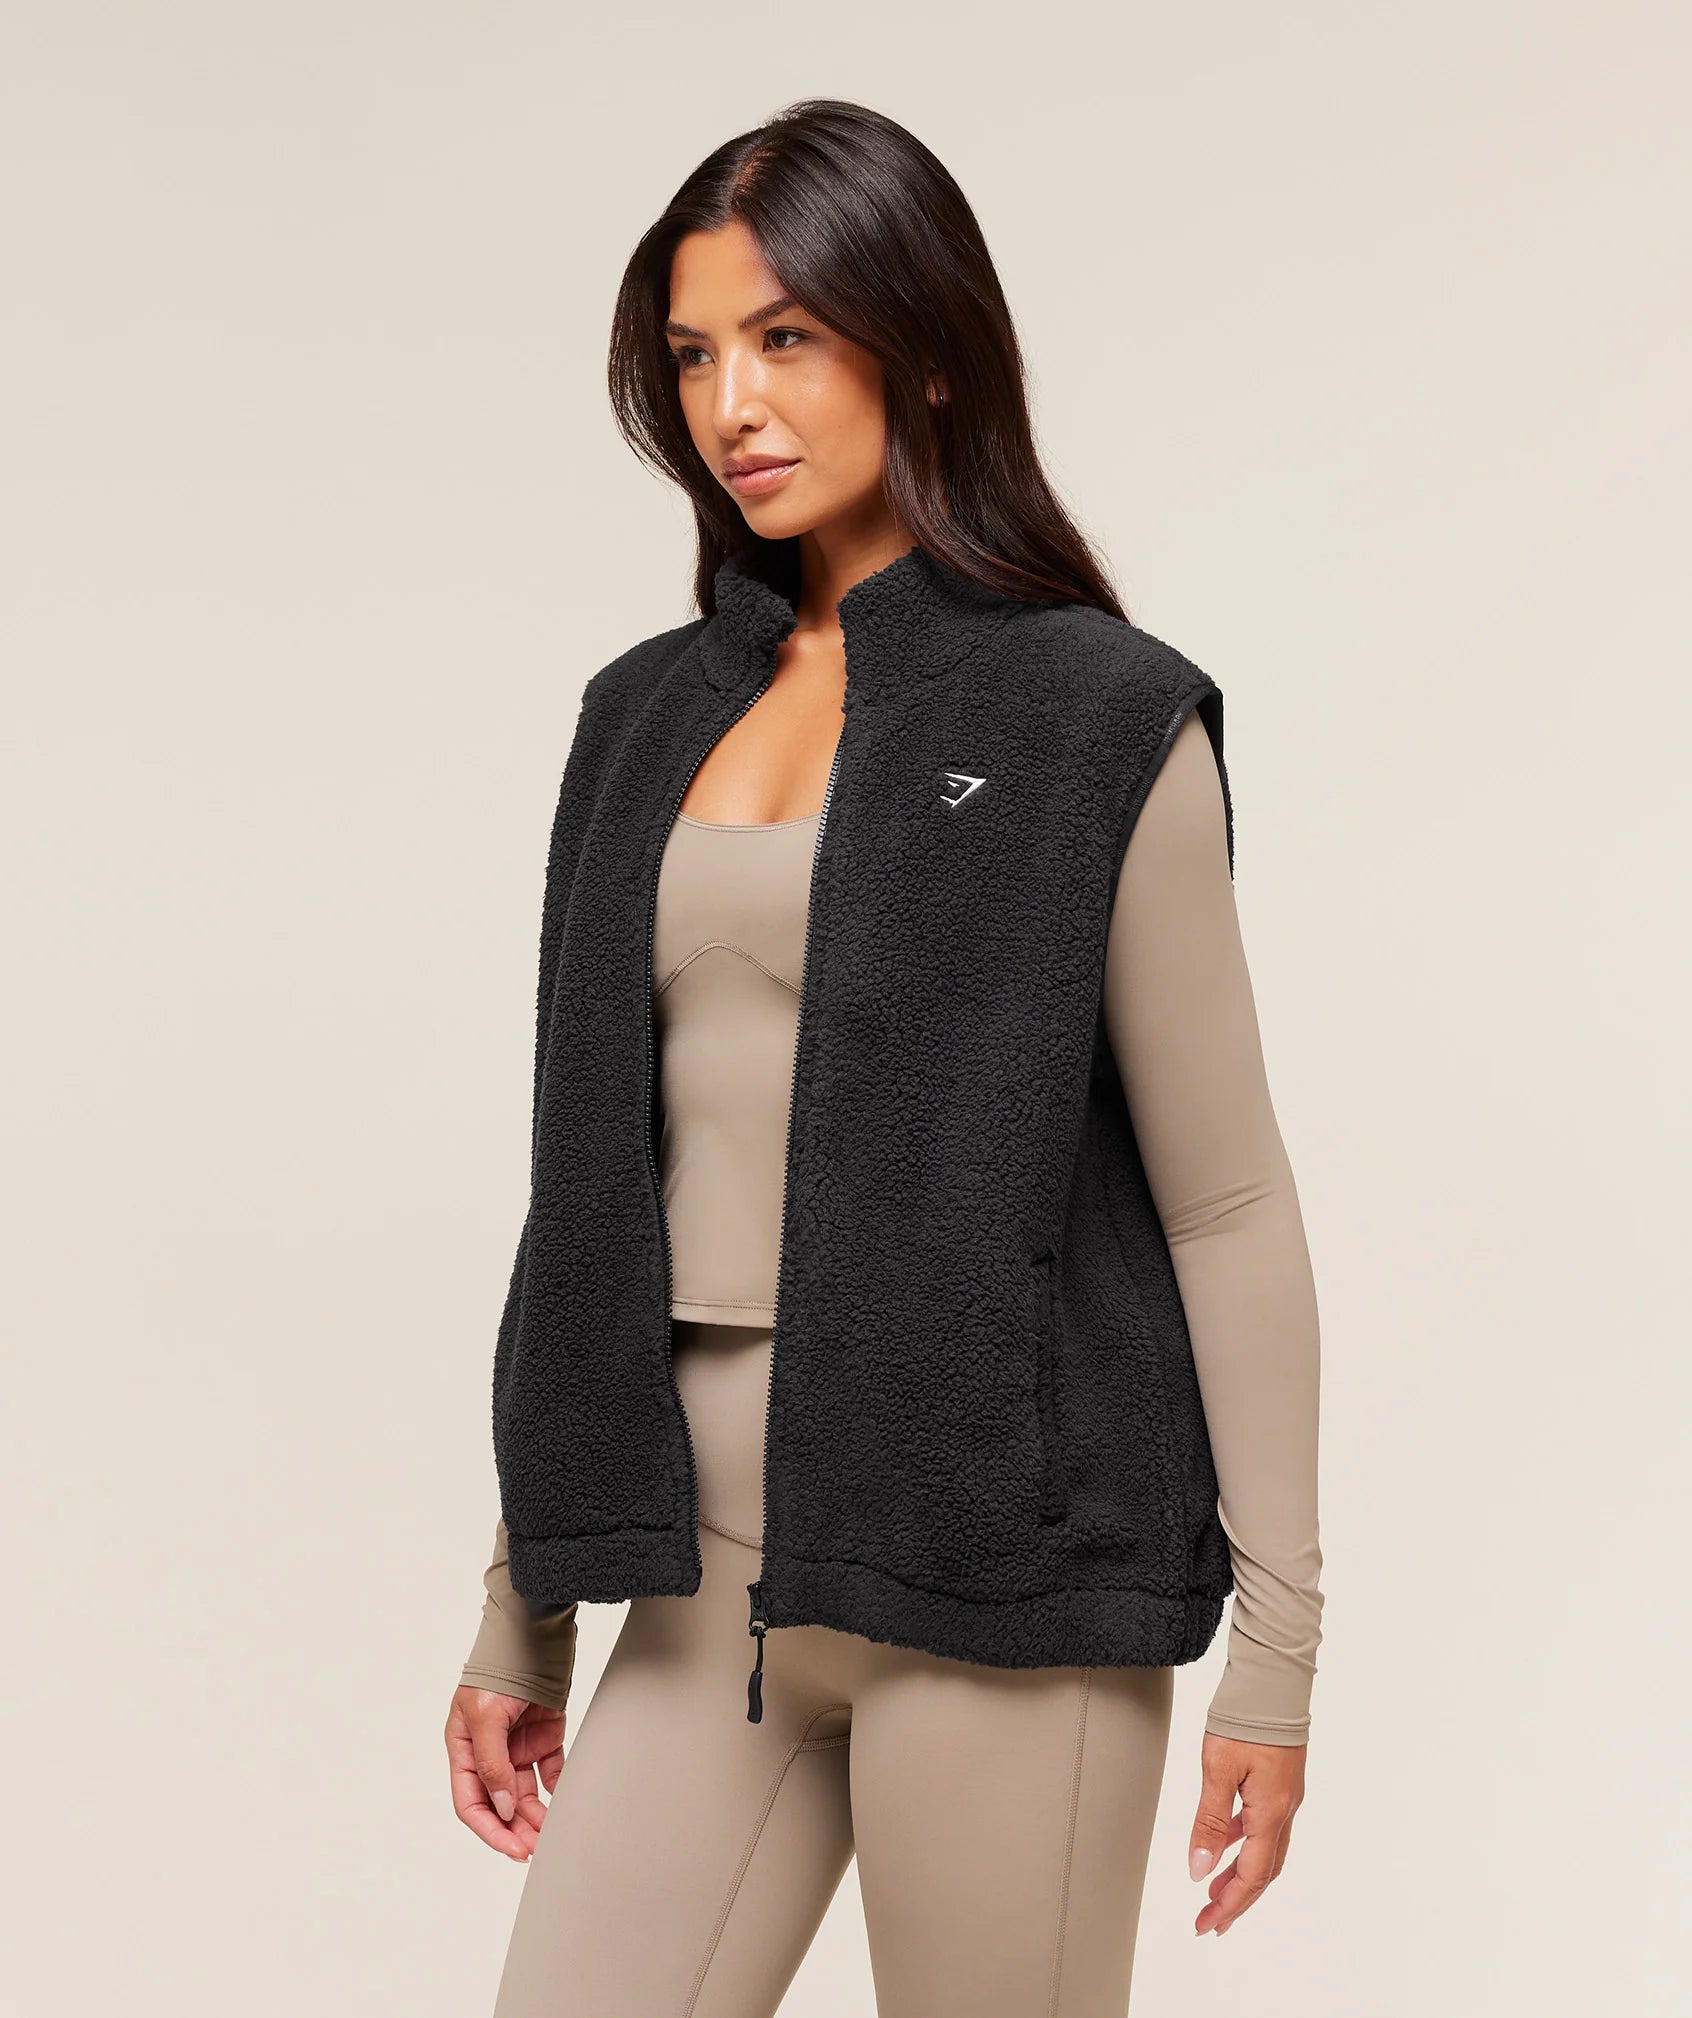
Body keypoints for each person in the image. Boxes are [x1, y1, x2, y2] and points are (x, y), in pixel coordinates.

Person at [443, 98, 1323, 2017]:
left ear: (922, 346)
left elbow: (1229, 1202)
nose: (732, 405)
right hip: (705, 1564)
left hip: (1005, 1561)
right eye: (693, 355)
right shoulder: (642, 717)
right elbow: (590, 1190)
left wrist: (1280, 1647)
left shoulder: (1098, 714)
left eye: (785, 338)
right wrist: (524, 1597)